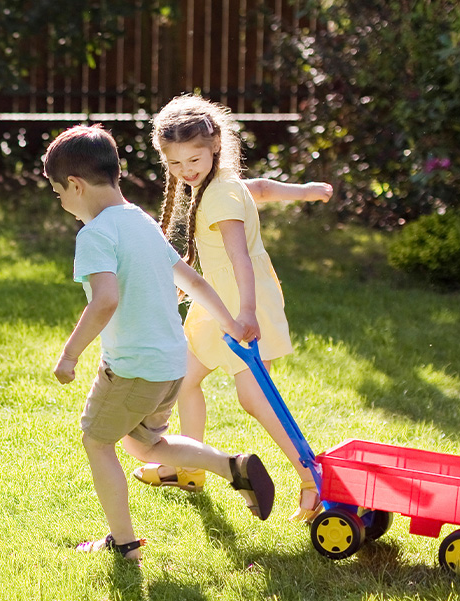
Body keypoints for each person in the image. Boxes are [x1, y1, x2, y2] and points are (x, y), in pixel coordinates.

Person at [44, 124, 276, 563]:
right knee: (144, 445)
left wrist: (69, 354)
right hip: (170, 364)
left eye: (59, 194)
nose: (63, 205)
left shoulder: (94, 234)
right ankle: (233, 467)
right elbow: (191, 280)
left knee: (97, 441)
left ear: (74, 185)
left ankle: (125, 543)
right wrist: (229, 322)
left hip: (131, 368)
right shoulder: (141, 221)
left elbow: (105, 300)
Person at [130, 93, 329, 523]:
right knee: (183, 379)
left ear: (215, 144)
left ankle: (313, 479)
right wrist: (307, 192)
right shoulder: (221, 182)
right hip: (218, 303)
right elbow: (259, 188)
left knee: (256, 400)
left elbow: (239, 257)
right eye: (177, 163)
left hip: (241, 305)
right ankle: (185, 468)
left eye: (194, 159)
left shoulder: (217, 195)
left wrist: (249, 314)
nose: (187, 170)